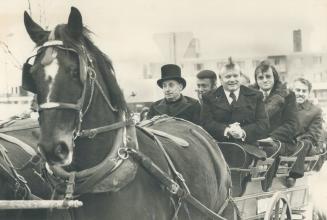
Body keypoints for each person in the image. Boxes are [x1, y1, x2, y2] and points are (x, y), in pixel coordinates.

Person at [251, 60, 298, 189]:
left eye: (268, 76)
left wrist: (272, 137)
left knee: (268, 149)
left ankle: (264, 189)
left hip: (281, 140)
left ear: (274, 77)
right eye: (260, 77)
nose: (264, 80)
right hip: (255, 139)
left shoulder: (288, 95)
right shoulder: (249, 96)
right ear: (256, 80)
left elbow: (292, 124)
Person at [201, 58, 269, 144]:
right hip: (219, 147)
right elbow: (206, 123)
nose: (232, 80)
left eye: (235, 76)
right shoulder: (209, 97)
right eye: (228, 76)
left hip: (249, 147)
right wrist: (226, 130)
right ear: (221, 79)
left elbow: (263, 124)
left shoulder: (255, 96)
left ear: (240, 77)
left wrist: (243, 132)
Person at [292, 77, 323, 156]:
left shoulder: (315, 111)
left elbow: (312, 135)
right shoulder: (285, 107)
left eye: (304, 91)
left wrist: (294, 141)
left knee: (303, 145)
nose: (301, 94)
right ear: (292, 91)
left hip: (304, 146)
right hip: (284, 144)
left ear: (309, 93)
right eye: (298, 90)